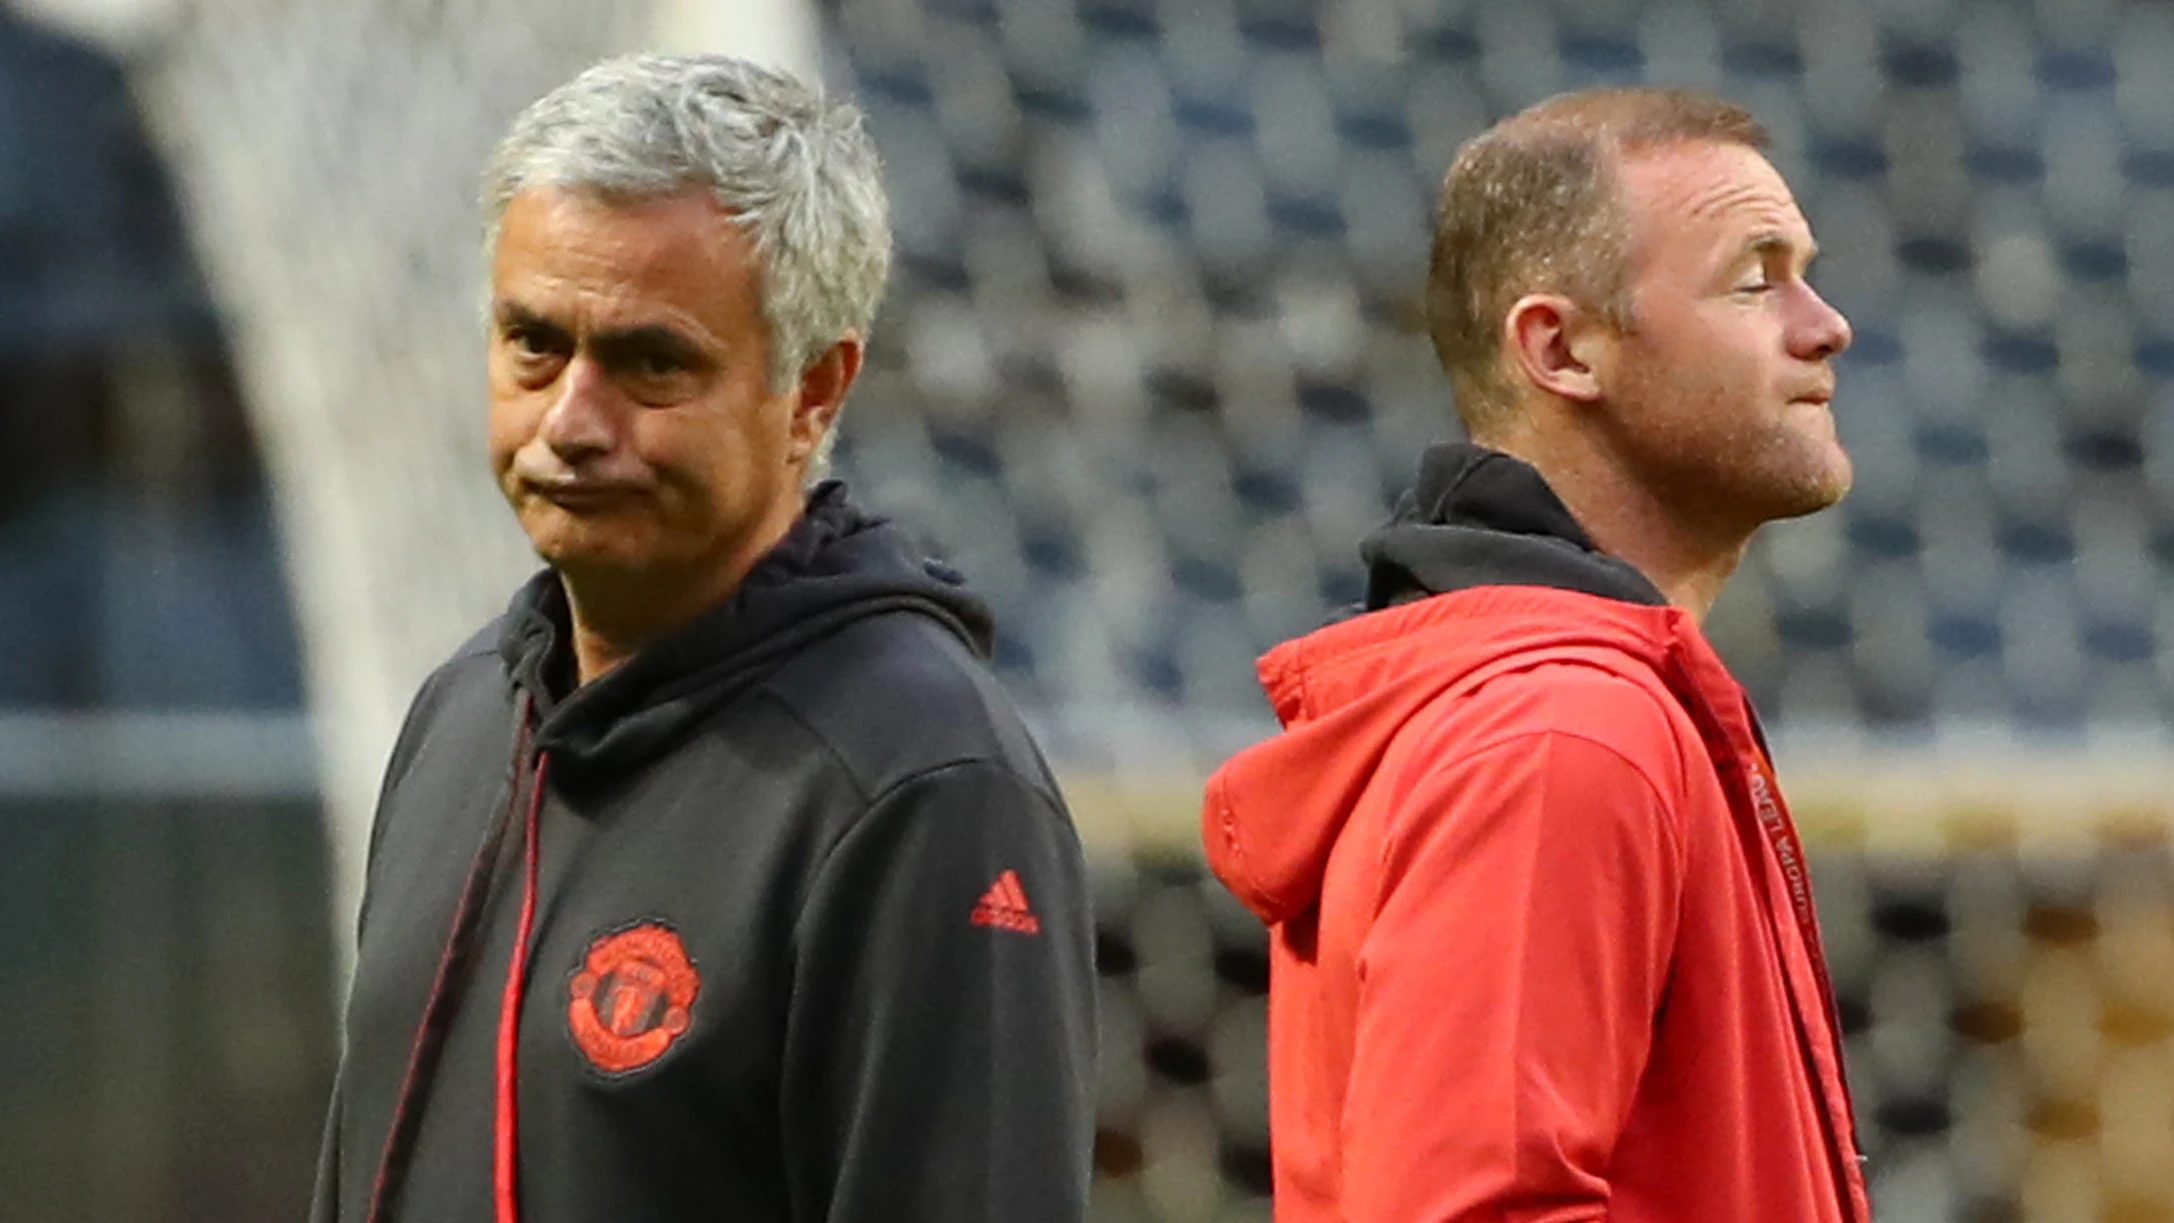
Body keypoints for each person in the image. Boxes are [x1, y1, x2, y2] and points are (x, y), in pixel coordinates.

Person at [309, 53, 1096, 1223]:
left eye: (648, 362)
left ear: (815, 391)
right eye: (533, 343)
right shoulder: (462, 711)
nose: (570, 421)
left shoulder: (922, 782)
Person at [1201, 88, 1869, 1222]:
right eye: (1754, 278)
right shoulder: (1558, 733)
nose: (1823, 323)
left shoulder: (1566, 703)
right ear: (1558, 348)